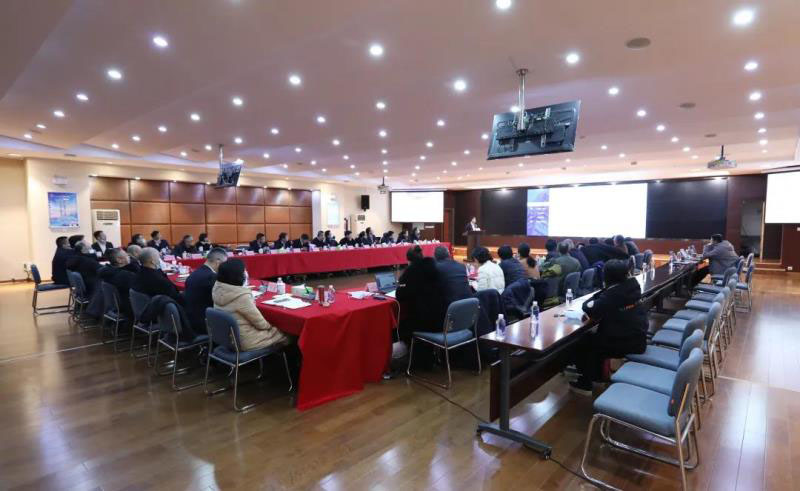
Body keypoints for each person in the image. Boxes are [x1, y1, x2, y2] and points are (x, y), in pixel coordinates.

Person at [570, 259, 648, 394]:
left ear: (606, 277)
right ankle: (597, 374)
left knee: (582, 342)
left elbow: (588, 307)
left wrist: (604, 290)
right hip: (639, 338)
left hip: (625, 342)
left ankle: (586, 382)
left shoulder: (613, 294)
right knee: (595, 338)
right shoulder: (632, 286)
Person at [212, 259, 288, 351]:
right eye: (244, 271)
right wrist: (273, 327)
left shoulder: (217, 288)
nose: (246, 273)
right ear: (238, 275)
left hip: (227, 338)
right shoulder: (241, 296)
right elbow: (261, 324)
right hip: (246, 340)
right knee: (287, 333)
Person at [395, 246, 446, 346]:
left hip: (424, 321)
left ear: (409, 261)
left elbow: (399, 295)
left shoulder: (410, 272)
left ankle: (410, 351)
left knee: (400, 326)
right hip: (441, 318)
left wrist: (401, 283)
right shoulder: (434, 266)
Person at [184, 247, 227, 335]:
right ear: (218, 262)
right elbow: (222, 301)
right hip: (204, 323)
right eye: (225, 263)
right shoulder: (211, 277)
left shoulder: (194, 273)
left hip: (189, 319)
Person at [97, 248, 136, 318]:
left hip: (116, 304)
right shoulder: (125, 275)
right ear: (119, 260)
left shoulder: (109, 271)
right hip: (128, 306)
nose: (129, 257)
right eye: (126, 255)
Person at [433, 246, 473, 310]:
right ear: (449, 255)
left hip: (451, 307)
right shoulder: (461, 266)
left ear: (435, 257)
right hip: (470, 304)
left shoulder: (436, 268)